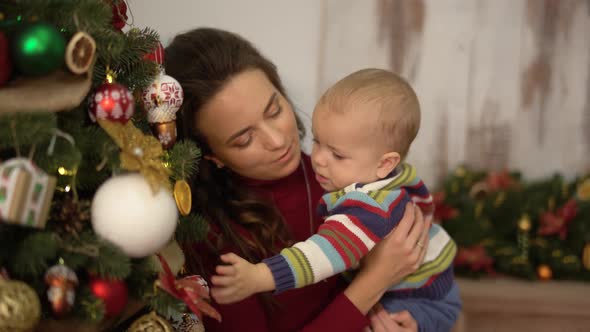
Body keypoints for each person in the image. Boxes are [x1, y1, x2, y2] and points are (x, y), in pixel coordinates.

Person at [165, 27, 435, 332]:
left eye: (275, 109)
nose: (277, 140)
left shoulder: (343, 177)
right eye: (244, 139)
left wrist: (408, 316)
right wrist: (374, 281)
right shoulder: (209, 240)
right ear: (210, 155)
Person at [209, 69, 462, 331]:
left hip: (418, 295)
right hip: (426, 287)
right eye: (318, 141)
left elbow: (325, 254)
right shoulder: (380, 177)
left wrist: (260, 276)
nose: (318, 158)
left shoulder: (371, 205)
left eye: (337, 155)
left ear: (385, 163)